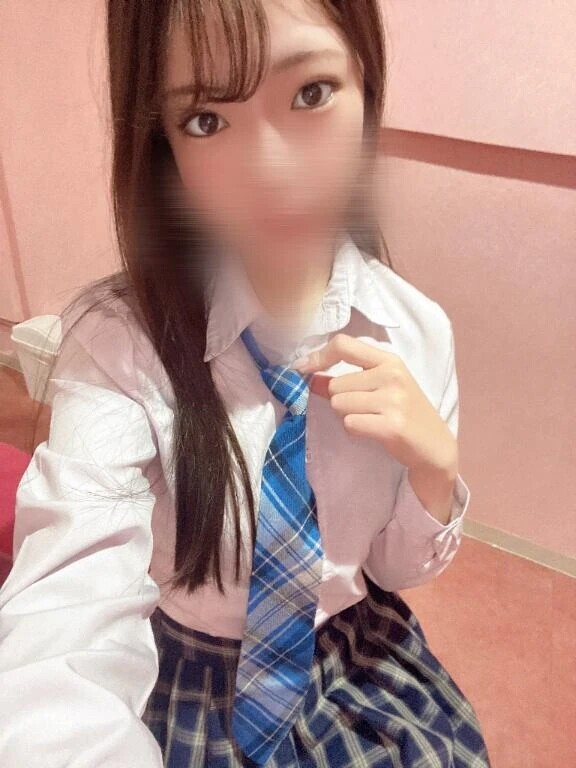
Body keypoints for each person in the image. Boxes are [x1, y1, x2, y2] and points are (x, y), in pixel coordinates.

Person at [0, 1, 492, 766]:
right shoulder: (117, 340)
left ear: (366, 85)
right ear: (162, 142)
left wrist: (434, 470)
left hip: (347, 657)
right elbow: (70, 596)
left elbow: (390, 572)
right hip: (185, 672)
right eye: (205, 120)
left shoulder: (417, 330)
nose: (271, 171)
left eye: (310, 93)